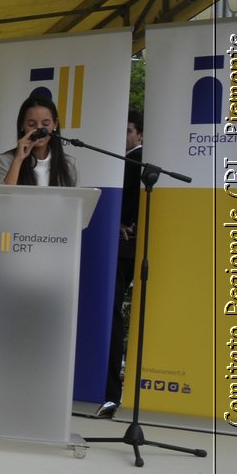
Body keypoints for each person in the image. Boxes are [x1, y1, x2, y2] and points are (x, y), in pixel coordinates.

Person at [98, 110, 143, 417]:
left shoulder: (135, 163)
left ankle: (110, 392)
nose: (123, 135)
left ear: (139, 135)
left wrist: (121, 223)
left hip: (122, 252)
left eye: (128, 130)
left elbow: (130, 207)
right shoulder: (122, 160)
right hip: (117, 251)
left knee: (111, 317)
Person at [0, 94, 79, 186]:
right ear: (22, 125)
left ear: (55, 124)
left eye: (45, 124)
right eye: (32, 124)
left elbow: (79, 199)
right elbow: (2, 197)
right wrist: (18, 159)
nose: (39, 129)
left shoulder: (70, 164)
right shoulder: (4, 160)